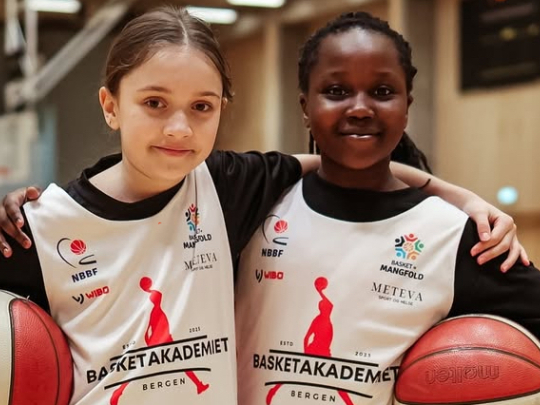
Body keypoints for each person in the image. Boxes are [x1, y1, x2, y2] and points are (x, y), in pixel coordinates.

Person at [0, 5, 529, 403]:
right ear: (110, 105)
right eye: (154, 102)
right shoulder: (39, 227)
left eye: (201, 106)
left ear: (221, 109)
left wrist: (460, 196)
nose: (179, 127)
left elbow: (345, 160)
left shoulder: (227, 184)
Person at [233, 11, 540, 405]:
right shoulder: (255, 204)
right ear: (305, 107)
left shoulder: (451, 234)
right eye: (337, 90)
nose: (360, 108)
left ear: (406, 106)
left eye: (381, 91)